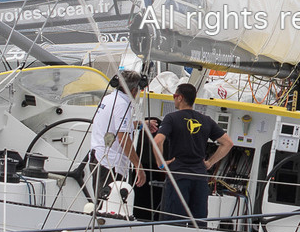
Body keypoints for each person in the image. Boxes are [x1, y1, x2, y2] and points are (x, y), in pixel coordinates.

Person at [152, 83, 234, 221]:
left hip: (179, 176)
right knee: (198, 222)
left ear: (180, 98)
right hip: (200, 179)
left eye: (174, 96)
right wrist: (209, 163)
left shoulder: (171, 118)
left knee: (173, 222)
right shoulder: (206, 120)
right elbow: (228, 143)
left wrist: (161, 164)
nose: (174, 99)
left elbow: (157, 141)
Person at [88, 70, 146, 211]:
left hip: (100, 159)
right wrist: (138, 166)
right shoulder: (122, 104)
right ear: (133, 90)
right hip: (110, 164)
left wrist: (139, 124)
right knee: (110, 208)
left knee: (104, 205)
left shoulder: (108, 98)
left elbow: (115, 126)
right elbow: (123, 138)